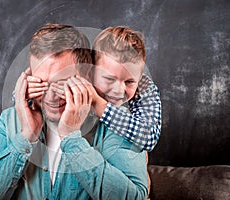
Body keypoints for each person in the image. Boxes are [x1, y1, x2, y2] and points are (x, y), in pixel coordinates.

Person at [0, 23, 148, 200]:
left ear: (86, 77)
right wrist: (27, 136)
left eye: (62, 82)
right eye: (41, 83)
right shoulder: (9, 121)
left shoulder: (117, 126)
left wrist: (72, 139)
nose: (51, 96)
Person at [29, 27, 161, 152]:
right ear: (91, 71)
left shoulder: (144, 87)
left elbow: (148, 137)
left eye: (129, 82)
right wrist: (31, 91)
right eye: (109, 79)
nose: (119, 90)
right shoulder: (81, 76)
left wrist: (97, 103)